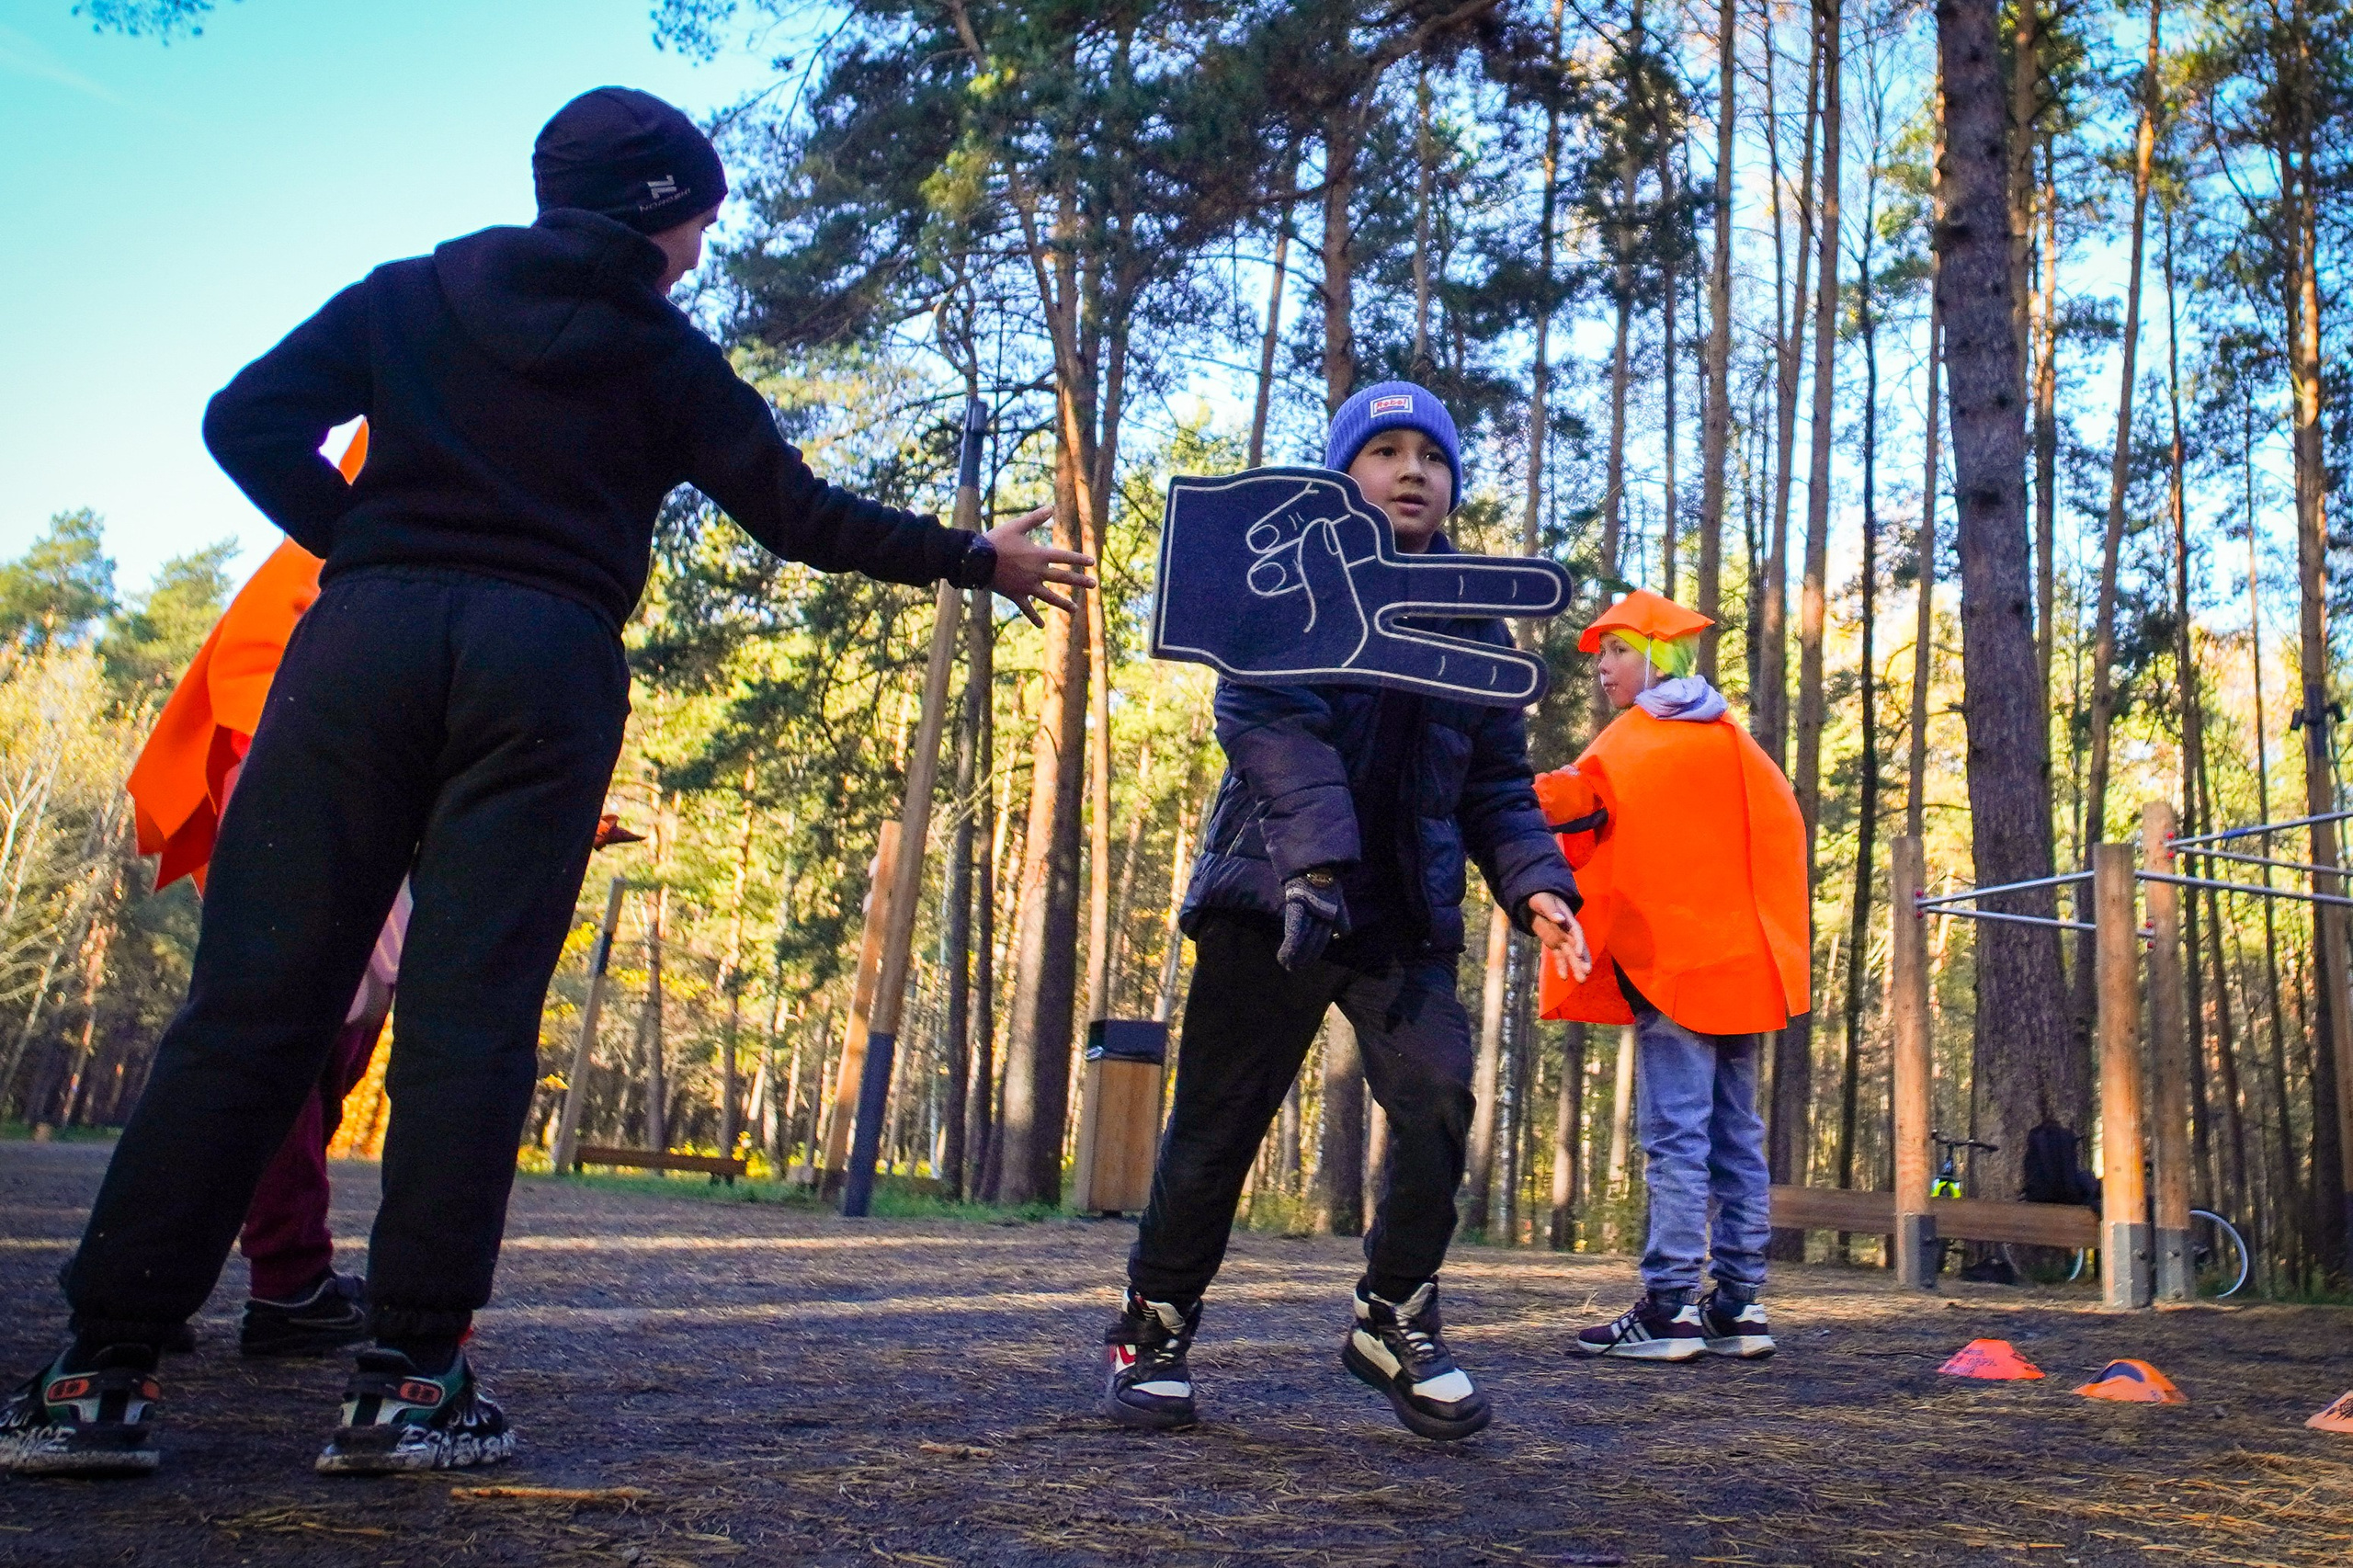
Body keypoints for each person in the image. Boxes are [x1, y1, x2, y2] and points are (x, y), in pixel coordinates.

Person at [1, 85, 1090, 1479]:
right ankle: (409, 1380)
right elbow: (799, 516)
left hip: (359, 653)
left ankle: (97, 1373)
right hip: (544, 662)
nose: (704, 242)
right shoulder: (665, 357)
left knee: (247, 1008)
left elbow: (243, 418)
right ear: (664, 214)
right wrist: (972, 558)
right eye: (699, 214)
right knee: (470, 1019)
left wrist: (372, 545)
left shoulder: (407, 297)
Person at [1102, 381, 1589, 1443]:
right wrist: (1313, 866)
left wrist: (1536, 881)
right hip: (1270, 893)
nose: (1414, 469)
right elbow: (1267, 719)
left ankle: (1393, 1314)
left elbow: (1496, 783)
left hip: (1400, 915)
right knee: (1219, 1121)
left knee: (1440, 1096)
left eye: (1434, 455)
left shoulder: (1475, 618)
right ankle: (1155, 1325)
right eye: (1387, 451)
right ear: (1341, 473)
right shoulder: (1284, 582)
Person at [1532, 590, 1808, 1362]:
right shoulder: (1739, 745)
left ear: (1657, 657)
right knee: (1737, 1139)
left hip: (1677, 971)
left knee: (1678, 1140)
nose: (1603, 670)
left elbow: (1564, 805)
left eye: (1616, 651)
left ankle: (1666, 1310)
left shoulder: (1632, 741)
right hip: (1748, 971)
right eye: (1599, 655)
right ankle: (1738, 1307)